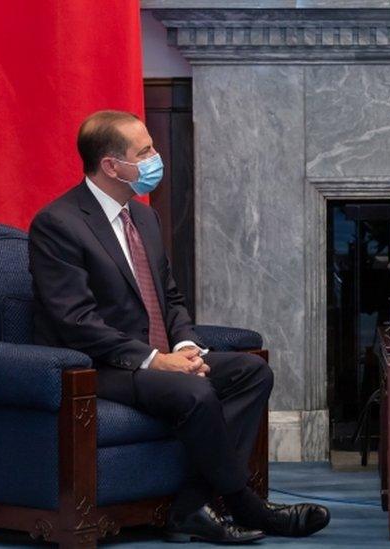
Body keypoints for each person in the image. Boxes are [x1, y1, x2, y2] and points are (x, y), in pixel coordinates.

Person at [28, 111, 330, 543]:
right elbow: (74, 320)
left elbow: (168, 297)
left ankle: (190, 506)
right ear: (112, 166)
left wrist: (186, 345)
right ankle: (245, 503)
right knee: (192, 390)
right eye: (145, 151)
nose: (157, 158)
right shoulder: (59, 223)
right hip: (99, 367)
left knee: (252, 371)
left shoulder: (144, 218)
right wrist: (154, 360)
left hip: (157, 355)